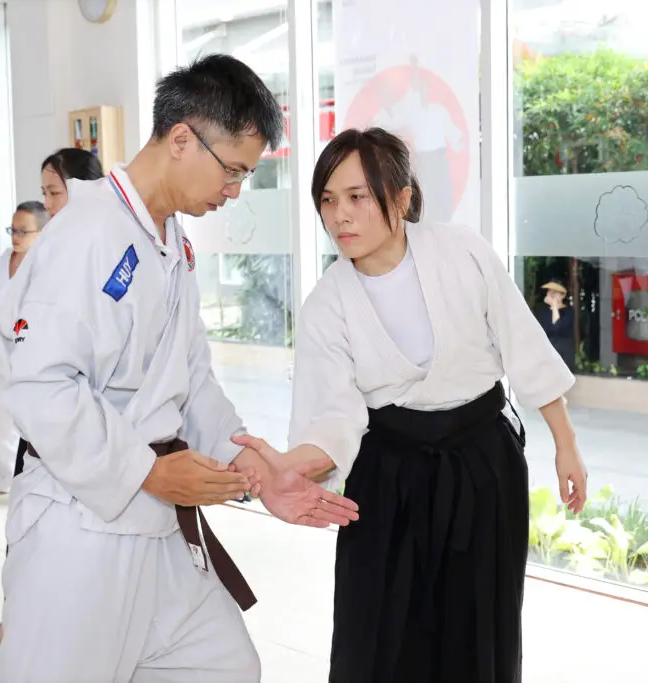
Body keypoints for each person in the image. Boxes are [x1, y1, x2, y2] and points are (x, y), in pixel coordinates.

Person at [0, 54, 359, 682]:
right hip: (82, 522)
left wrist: (251, 467)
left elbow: (191, 379)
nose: (234, 192)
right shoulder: (87, 234)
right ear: (182, 138)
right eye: (232, 172)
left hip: (155, 518)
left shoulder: (169, 240)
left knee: (222, 665)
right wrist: (149, 472)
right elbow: (40, 384)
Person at [233, 127, 588, 682]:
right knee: (377, 632)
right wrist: (297, 463)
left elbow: (525, 345)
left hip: (481, 464)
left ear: (400, 198)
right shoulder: (328, 301)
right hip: (387, 472)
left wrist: (566, 443)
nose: (339, 216)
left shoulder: (461, 251)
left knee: (479, 627)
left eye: (357, 197)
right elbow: (333, 414)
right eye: (327, 200)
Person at [0, 147, 104, 649]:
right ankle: (15, 619)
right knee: (25, 527)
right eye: (44, 193)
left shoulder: (104, 246)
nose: (48, 203)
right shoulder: (43, 255)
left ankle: (66, 631)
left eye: (54, 192)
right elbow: (9, 325)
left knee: (82, 538)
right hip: (42, 421)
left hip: (92, 420)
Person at [0, 201, 50, 499]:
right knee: (1, 418)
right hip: (0, 348)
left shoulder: (45, 263)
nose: (15, 236)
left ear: (41, 232)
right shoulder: (5, 258)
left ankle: (34, 482)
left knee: (33, 421)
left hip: (32, 351)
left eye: (23, 231)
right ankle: (7, 479)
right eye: (12, 229)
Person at [535, 278, 577, 371]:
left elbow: (557, 328)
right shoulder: (542, 312)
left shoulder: (569, 312)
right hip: (547, 357)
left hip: (564, 357)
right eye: (549, 291)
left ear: (562, 295)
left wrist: (554, 307)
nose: (551, 294)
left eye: (554, 292)